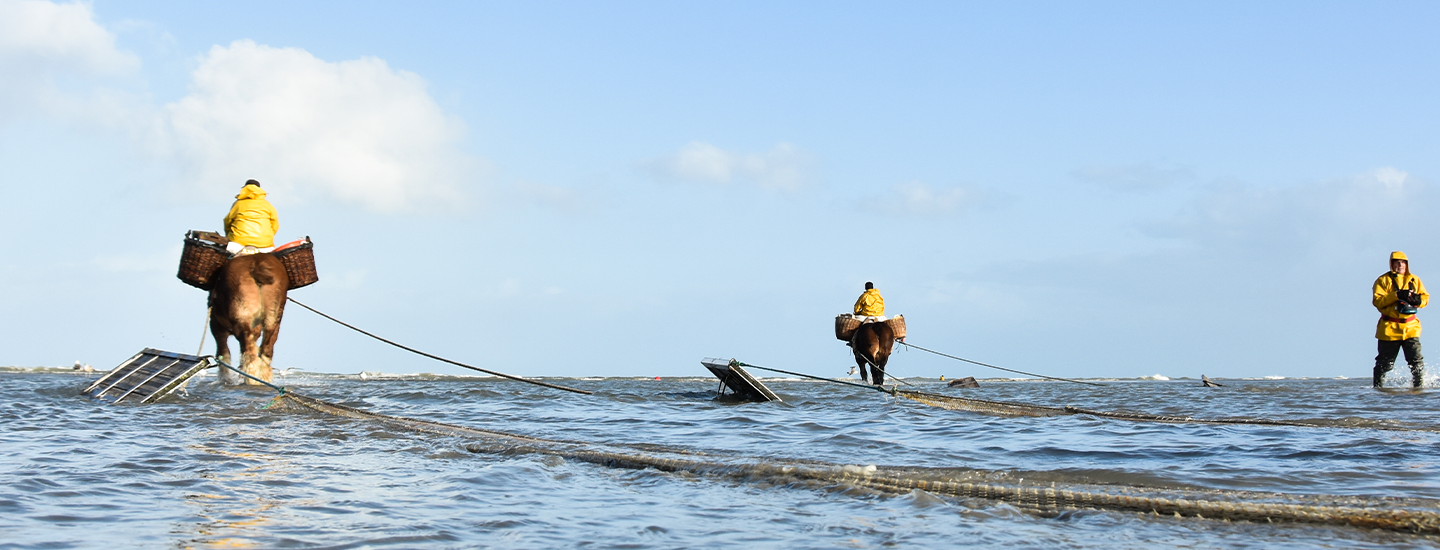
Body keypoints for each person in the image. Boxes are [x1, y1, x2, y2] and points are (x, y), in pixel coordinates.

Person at [1373, 251, 1429, 388]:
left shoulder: (1414, 280)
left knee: (1416, 363)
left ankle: (1418, 389)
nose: (1400, 264)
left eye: (1403, 262)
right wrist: (1396, 295)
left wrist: (1417, 300)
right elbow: (1378, 302)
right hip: (1389, 329)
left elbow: (1425, 298)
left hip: (1411, 328)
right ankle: (1377, 390)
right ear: (1391, 263)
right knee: (1384, 364)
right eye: (1397, 261)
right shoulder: (1382, 281)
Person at [223, 179, 279, 255]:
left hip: (238, 242)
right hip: (264, 244)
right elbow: (275, 226)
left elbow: (227, 222)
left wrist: (229, 235)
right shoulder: (268, 205)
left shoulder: (238, 204)